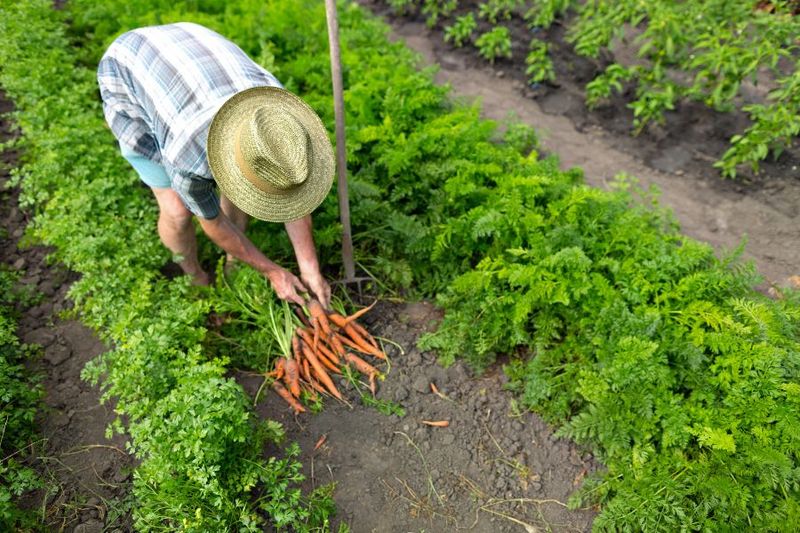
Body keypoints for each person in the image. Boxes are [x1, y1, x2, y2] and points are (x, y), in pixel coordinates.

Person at [97, 22, 333, 308]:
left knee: (258, 182)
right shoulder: (188, 155)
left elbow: (293, 196)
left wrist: (310, 269)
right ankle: (195, 279)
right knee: (177, 211)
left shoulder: (282, 121)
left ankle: (236, 262)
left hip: (198, 49)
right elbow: (213, 222)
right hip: (129, 70)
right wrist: (273, 271)